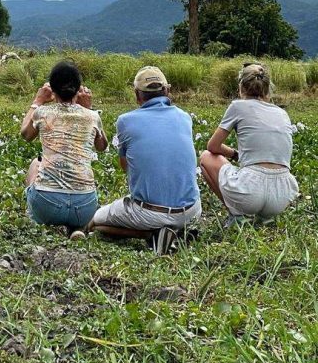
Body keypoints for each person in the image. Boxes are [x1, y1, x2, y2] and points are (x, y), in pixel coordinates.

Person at [87, 66, 201, 255]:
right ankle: (174, 231)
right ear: (167, 91)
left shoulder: (125, 121)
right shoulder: (185, 117)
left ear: (137, 95)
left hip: (150, 213)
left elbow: (126, 166)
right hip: (191, 211)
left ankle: (152, 235)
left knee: (96, 221)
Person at [199, 63, 299, 228]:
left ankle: (237, 215)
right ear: (267, 90)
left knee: (206, 157)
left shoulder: (238, 106)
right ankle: (264, 218)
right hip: (282, 194)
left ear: (241, 88)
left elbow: (213, 146)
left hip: (250, 191)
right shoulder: (282, 113)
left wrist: (234, 154)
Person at [20, 60, 108, 240]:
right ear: (78, 90)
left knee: (35, 164)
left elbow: (26, 134)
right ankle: (78, 228)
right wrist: (89, 109)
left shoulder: (42, 113)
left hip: (47, 205)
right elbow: (102, 146)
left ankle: (39, 218)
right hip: (84, 207)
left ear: (52, 89)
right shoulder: (92, 117)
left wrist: (37, 101)